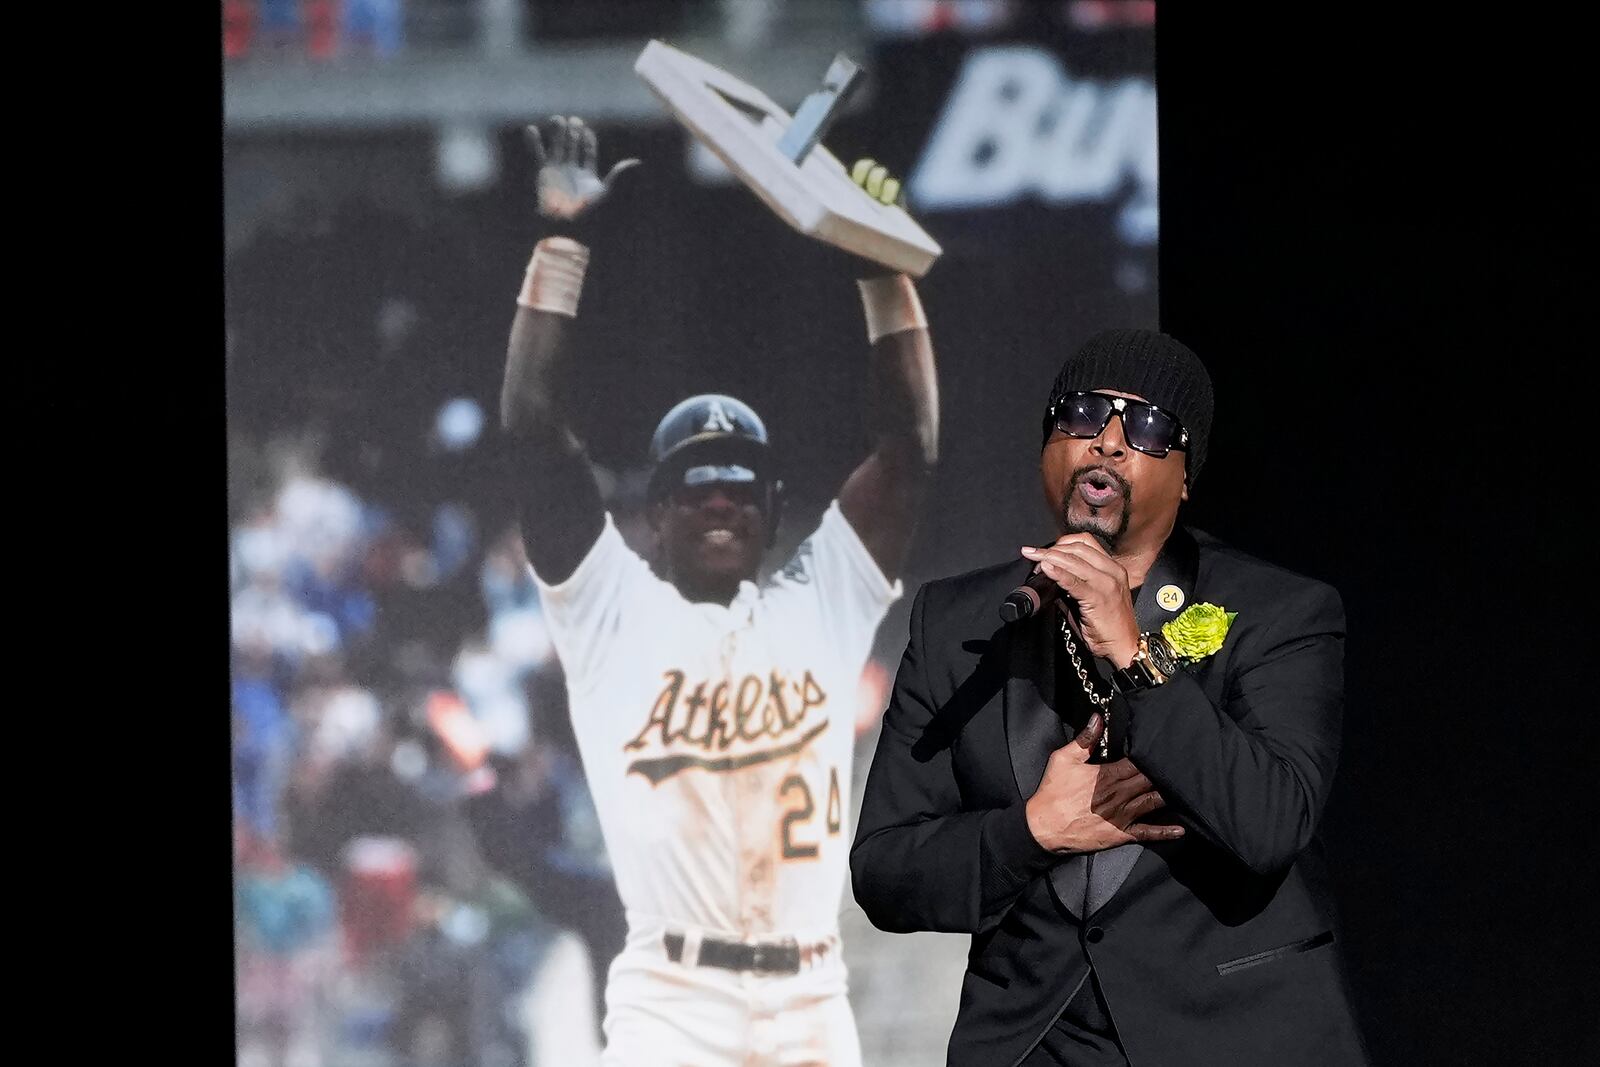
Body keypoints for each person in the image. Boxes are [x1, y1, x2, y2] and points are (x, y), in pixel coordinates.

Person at [487, 115, 940, 1066]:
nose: (722, 499)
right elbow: (531, 425)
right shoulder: (607, 606)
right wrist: (562, 241)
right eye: (697, 483)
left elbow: (908, 448)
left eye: (742, 482)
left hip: (813, 995)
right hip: (672, 1001)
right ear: (653, 514)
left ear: (776, 513)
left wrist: (878, 266)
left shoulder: (822, 602)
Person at [850, 329, 1369, 1066]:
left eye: (1151, 427)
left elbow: (1270, 820)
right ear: (1047, 448)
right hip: (1034, 1043)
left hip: (1232, 1034)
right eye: (1085, 414)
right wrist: (1034, 830)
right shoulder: (958, 623)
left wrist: (1132, 652)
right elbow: (885, 871)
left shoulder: (1279, 612)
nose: (1111, 442)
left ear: (1187, 478)